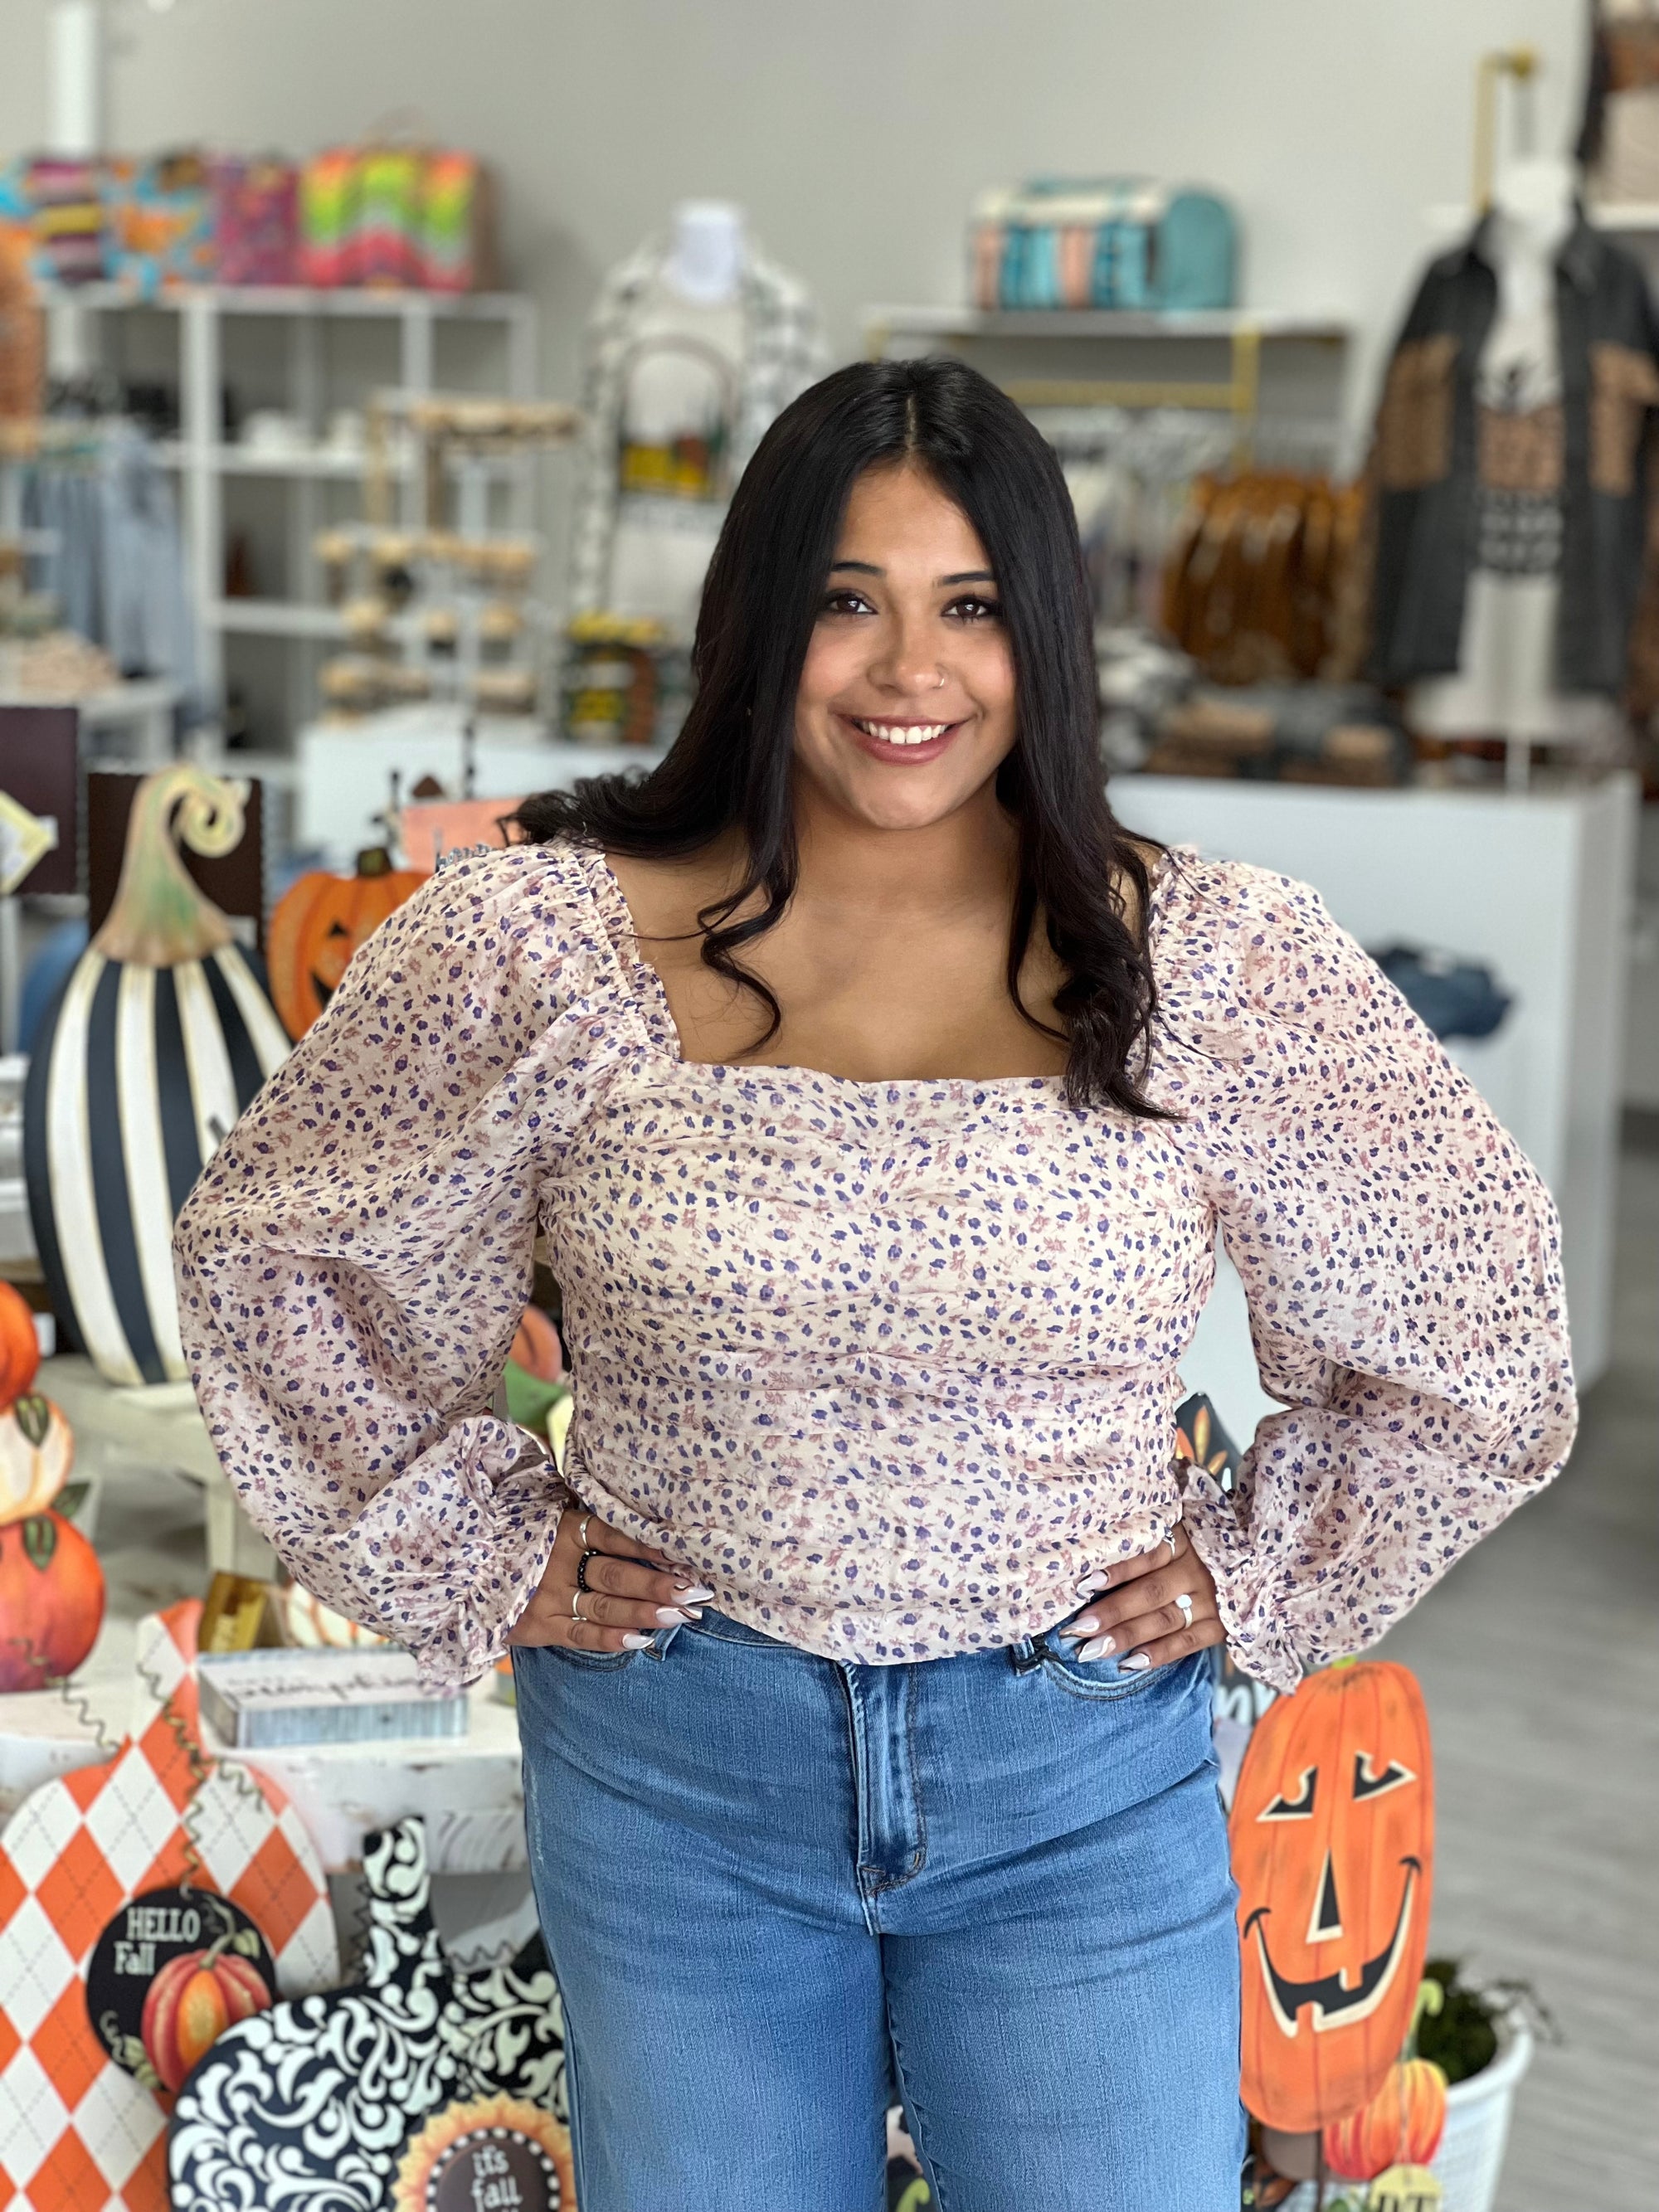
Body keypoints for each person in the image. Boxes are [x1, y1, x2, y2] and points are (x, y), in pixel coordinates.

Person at [173, 358, 1577, 2212]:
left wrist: (1259, 1561)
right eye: (849, 600)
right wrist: (473, 1542)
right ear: (756, 619)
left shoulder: (1208, 960)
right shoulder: (538, 944)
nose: (910, 672)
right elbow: (278, 1253)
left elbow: (1474, 1317)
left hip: (1078, 1776)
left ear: (1045, 637)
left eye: (972, 606)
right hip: (679, 1778)